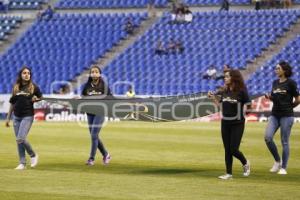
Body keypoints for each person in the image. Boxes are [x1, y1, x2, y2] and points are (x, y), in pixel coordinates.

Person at [208, 70, 251, 180]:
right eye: (225, 77)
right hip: (225, 122)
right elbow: (222, 108)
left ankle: (245, 162)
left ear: (234, 78)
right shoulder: (224, 91)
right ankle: (228, 174)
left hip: (238, 123)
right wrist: (214, 100)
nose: (224, 78)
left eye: (227, 77)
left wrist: (242, 112)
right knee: (227, 149)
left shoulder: (242, 91)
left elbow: (249, 105)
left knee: (234, 149)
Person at [264, 61, 300, 175]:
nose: (276, 70)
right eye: (275, 68)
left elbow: (298, 99)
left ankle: (283, 167)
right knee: (268, 138)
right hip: (275, 114)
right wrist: (269, 97)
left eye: (278, 68)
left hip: (287, 115)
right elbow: (275, 98)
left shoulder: (291, 83)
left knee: (284, 142)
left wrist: (290, 107)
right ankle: (277, 161)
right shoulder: (275, 82)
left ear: (284, 70)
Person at [5, 66, 42, 170]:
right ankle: (22, 163)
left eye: (28, 73)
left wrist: (36, 99)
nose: (27, 75)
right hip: (16, 117)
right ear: (20, 75)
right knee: (19, 141)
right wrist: (8, 118)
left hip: (28, 115)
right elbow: (12, 103)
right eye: (24, 73)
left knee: (20, 138)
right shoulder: (16, 87)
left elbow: (40, 97)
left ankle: (33, 155)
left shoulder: (34, 86)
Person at [81, 65, 111, 166]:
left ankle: (91, 159)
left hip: (100, 112)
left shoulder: (104, 85)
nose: (94, 73)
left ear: (100, 74)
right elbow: (83, 98)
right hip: (89, 112)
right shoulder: (87, 86)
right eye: (92, 72)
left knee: (94, 135)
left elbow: (111, 98)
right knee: (94, 136)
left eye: (96, 72)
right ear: (90, 74)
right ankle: (106, 154)